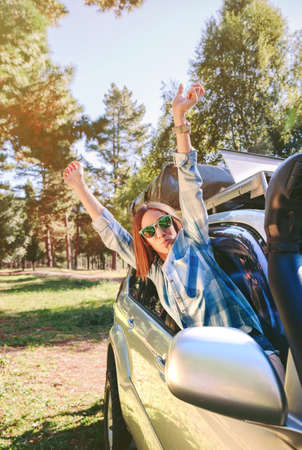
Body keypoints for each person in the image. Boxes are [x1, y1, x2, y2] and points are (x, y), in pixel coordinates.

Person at [63, 82, 285, 382]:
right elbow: (113, 234)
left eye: (164, 222)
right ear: (145, 241)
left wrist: (179, 120)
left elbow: (190, 185)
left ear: (175, 222)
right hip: (208, 367)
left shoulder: (195, 244)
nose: (160, 232)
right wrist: (80, 187)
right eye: (150, 231)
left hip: (253, 355)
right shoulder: (155, 272)